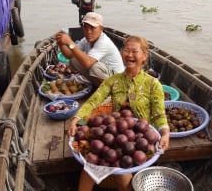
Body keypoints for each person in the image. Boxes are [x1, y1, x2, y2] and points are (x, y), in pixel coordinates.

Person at [68, 36, 170, 191]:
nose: (129, 55)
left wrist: (165, 133)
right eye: (126, 50)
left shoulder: (152, 84)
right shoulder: (113, 80)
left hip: (141, 139)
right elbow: (94, 101)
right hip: (114, 135)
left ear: (144, 56)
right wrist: (76, 118)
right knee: (89, 166)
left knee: (121, 174)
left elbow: (159, 114)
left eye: (134, 51)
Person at [55, 12, 124, 87]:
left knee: (94, 67)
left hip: (117, 79)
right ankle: (97, 85)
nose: (88, 32)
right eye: (86, 27)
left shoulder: (104, 42)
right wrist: (60, 43)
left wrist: (70, 42)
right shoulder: (86, 40)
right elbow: (69, 55)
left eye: (92, 28)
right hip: (104, 75)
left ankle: (110, 90)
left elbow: (88, 63)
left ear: (101, 29)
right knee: (73, 59)